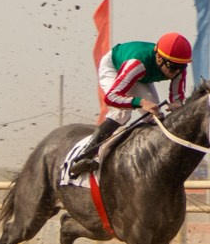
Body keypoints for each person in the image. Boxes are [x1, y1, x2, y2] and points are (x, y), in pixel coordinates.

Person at [72, 32, 194, 174]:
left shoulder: (178, 68)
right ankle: (85, 155)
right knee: (121, 113)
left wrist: (177, 106)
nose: (177, 72)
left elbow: (177, 98)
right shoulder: (137, 64)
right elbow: (111, 97)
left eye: (182, 67)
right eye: (173, 67)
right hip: (115, 68)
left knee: (155, 116)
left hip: (140, 77)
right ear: (159, 58)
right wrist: (141, 102)